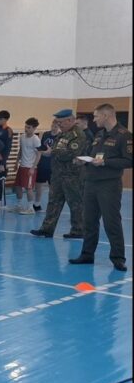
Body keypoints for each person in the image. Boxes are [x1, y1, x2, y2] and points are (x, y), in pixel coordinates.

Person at [69, 103, 132, 271]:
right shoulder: (99, 134)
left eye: (96, 116)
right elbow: (93, 155)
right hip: (91, 182)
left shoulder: (124, 135)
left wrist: (105, 162)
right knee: (89, 221)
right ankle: (87, 254)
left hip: (109, 185)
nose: (94, 119)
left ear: (106, 116)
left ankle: (118, 258)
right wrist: (84, 160)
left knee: (111, 222)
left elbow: (129, 160)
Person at [30, 109, 88, 238]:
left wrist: (52, 152)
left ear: (70, 120)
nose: (59, 125)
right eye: (57, 122)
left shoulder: (77, 135)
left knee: (75, 203)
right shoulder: (62, 134)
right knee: (53, 202)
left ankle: (78, 230)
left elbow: (71, 153)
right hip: (57, 174)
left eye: (61, 122)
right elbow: (58, 150)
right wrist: (50, 152)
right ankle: (47, 229)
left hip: (72, 176)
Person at [12, 118, 42, 215]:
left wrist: (33, 168)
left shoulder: (36, 140)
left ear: (34, 128)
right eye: (25, 127)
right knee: (17, 186)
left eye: (29, 127)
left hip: (30, 167)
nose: (26, 129)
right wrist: (16, 162)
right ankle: (19, 205)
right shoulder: (22, 137)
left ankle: (30, 208)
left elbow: (39, 154)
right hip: (22, 166)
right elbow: (21, 150)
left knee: (29, 188)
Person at [34, 119, 60, 211]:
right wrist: (43, 152)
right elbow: (40, 148)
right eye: (53, 125)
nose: (54, 127)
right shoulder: (45, 134)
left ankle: (52, 206)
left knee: (52, 187)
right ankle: (37, 204)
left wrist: (48, 152)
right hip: (42, 163)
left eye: (56, 126)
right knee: (38, 185)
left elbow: (57, 151)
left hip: (53, 165)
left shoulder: (60, 136)